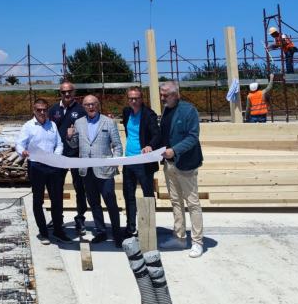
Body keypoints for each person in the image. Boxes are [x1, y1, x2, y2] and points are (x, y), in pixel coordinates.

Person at [158, 81, 205, 258]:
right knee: (176, 201)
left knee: (192, 203)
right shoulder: (166, 110)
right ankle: (179, 237)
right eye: (161, 94)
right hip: (169, 164)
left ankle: (197, 241)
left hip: (186, 164)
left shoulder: (189, 110)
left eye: (166, 95)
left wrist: (174, 150)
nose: (162, 98)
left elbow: (193, 137)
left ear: (176, 94)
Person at [16, 98, 70, 244]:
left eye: (44, 109)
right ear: (34, 110)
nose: (42, 112)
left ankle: (58, 230)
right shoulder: (28, 126)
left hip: (52, 167)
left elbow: (59, 144)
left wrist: (55, 156)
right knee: (38, 200)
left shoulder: (52, 125)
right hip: (36, 167)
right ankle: (43, 232)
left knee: (57, 200)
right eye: (38, 110)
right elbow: (19, 144)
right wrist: (23, 152)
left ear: (47, 110)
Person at [72, 95, 124, 247]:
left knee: (111, 202)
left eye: (93, 104)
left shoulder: (108, 122)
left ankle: (116, 233)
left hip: (105, 171)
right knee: (94, 203)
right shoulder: (78, 123)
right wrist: (70, 137)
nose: (90, 107)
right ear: (83, 107)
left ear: (98, 105)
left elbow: (117, 146)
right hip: (87, 171)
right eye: (87, 104)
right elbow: (76, 145)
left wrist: (114, 163)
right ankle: (101, 231)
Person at [48, 80, 88, 234]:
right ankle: (57, 217)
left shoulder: (81, 110)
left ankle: (80, 218)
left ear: (74, 93)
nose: (67, 94)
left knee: (80, 188)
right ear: (60, 93)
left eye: (69, 91)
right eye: (63, 92)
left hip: (76, 156)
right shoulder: (53, 110)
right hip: (59, 156)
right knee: (56, 189)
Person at [121, 87, 161, 238]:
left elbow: (157, 134)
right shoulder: (126, 112)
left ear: (141, 98)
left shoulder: (149, 114)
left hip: (143, 161)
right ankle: (131, 227)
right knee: (128, 195)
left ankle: (149, 227)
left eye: (136, 98)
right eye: (131, 98)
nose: (133, 101)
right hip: (129, 160)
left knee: (148, 195)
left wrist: (150, 145)